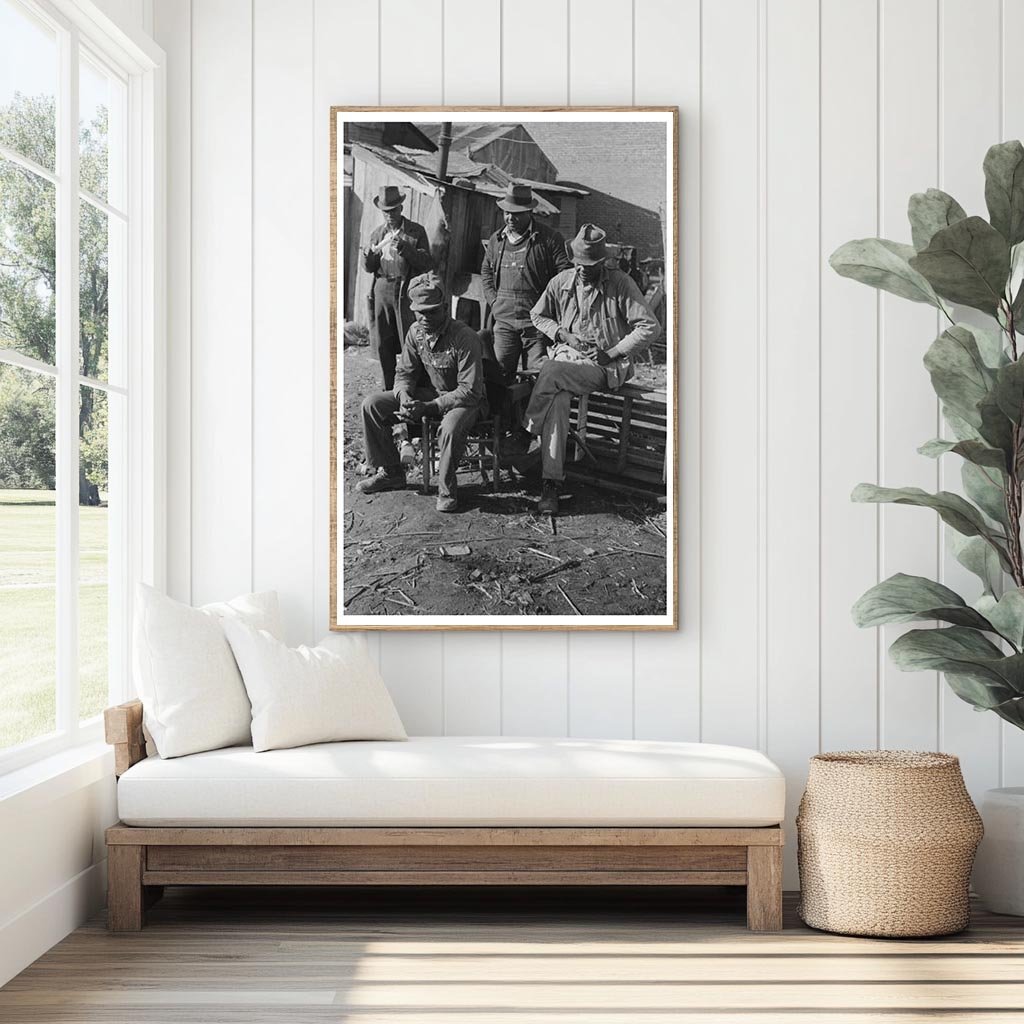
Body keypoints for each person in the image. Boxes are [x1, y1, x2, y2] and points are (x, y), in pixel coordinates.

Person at [523, 223, 661, 515]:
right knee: (558, 399)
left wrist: (612, 352)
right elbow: (537, 315)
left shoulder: (621, 284)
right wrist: (562, 334)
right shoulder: (562, 281)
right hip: (567, 360)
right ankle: (552, 485)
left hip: (602, 367)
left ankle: (528, 430)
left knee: (550, 371)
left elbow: (650, 326)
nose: (583, 270)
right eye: (579, 264)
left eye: (591, 264)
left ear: (604, 261)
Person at [357, 274, 487, 513]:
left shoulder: (464, 337)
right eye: (420, 312)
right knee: (372, 404)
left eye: (432, 311)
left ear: (445, 308)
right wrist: (404, 396)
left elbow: (470, 390)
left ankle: (447, 490)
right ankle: (392, 472)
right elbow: (405, 372)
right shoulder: (415, 332)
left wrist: (429, 407)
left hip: (466, 402)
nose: (425, 318)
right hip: (432, 394)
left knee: (448, 428)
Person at [480, 183, 572, 378]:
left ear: (530, 212)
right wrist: (494, 302)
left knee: (537, 376)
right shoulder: (497, 240)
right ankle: (506, 409)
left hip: (537, 325)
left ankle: (531, 409)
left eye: (517, 213)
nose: (510, 218)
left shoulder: (549, 239)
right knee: (500, 376)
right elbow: (486, 271)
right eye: (506, 213)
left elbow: (565, 273)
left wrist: (549, 306)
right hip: (504, 322)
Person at [362, 185, 433, 390]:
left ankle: (415, 389)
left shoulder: (415, 232)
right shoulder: (377, 234)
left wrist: (405, 247)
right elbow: (368, 268)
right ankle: (388, 391)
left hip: (406, 291)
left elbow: (426, 263)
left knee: (410, 342)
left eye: (393, 210)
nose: (390, 215)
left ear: (401, 208)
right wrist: (369, 255)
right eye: (386, 211)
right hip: (382, 289)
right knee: (384, 345)